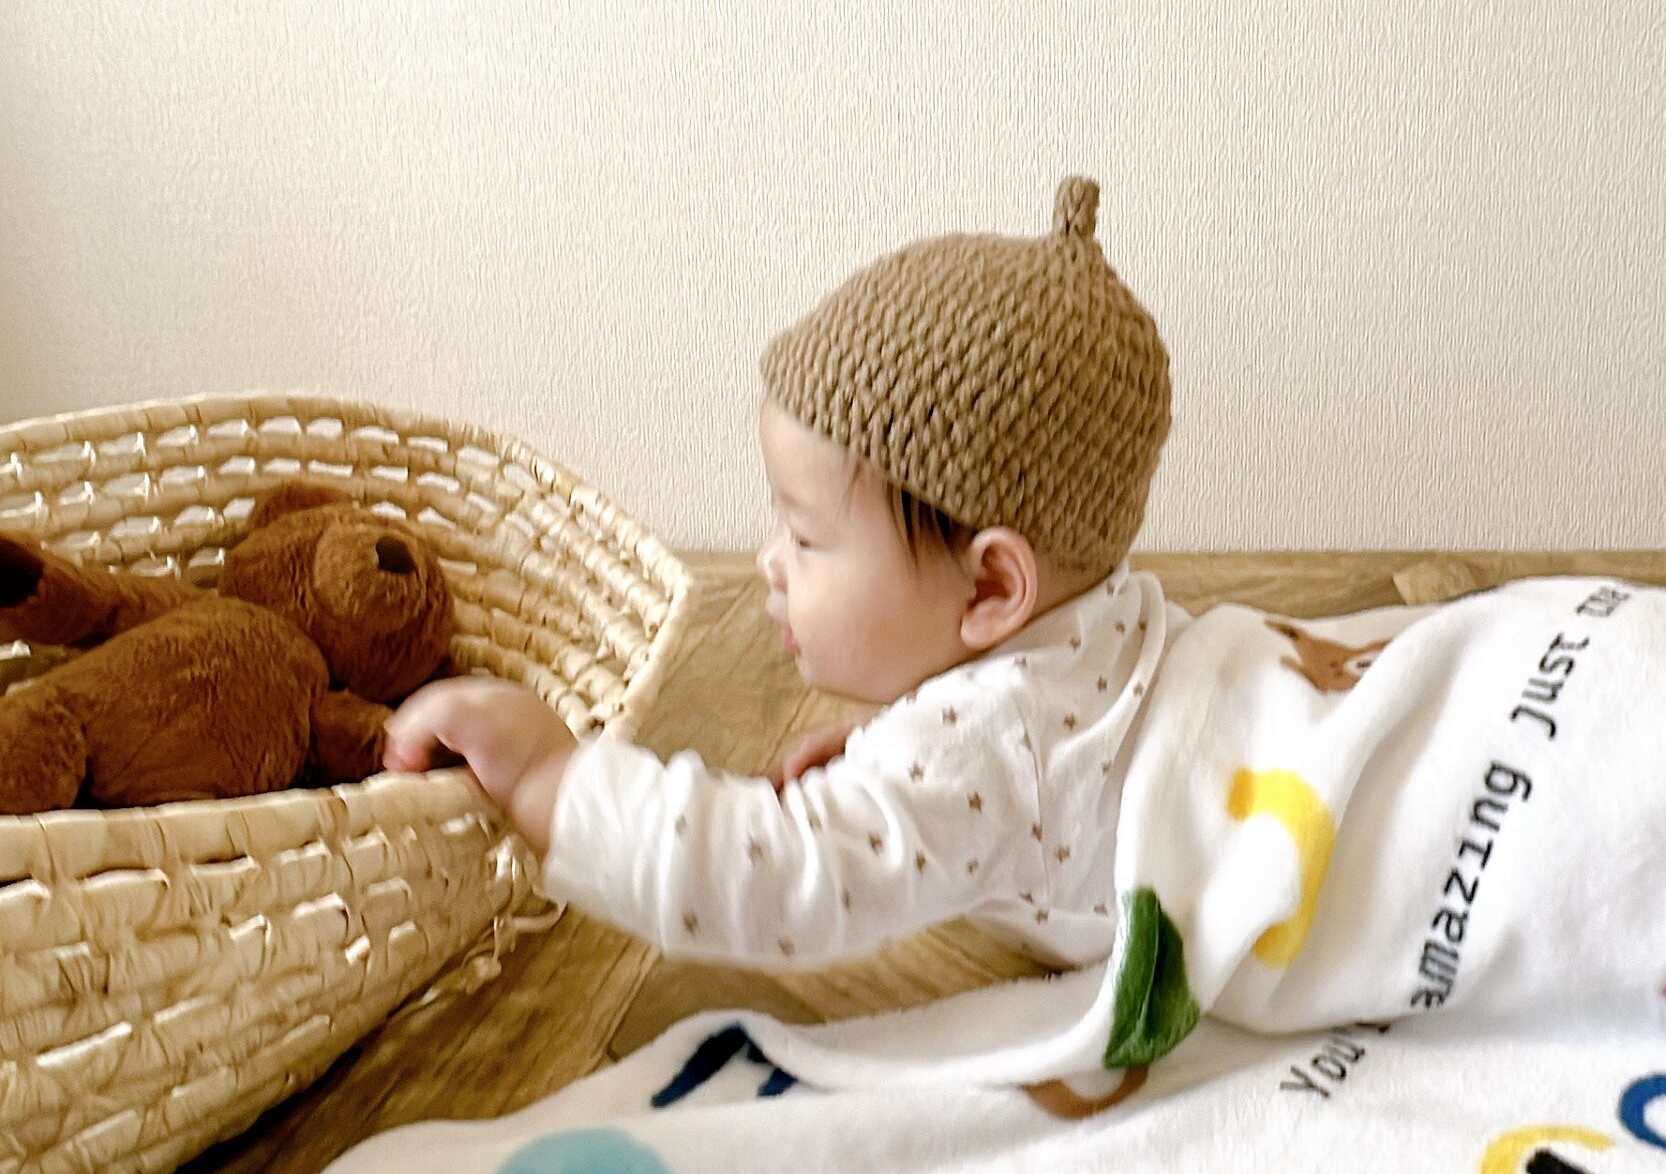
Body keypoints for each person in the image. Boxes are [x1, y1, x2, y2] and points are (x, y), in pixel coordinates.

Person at [381, 178, 1180, 971]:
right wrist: (890, 746)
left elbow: (777, 880)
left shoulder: (992, 743)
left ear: (993, 589)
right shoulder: (1100, 636)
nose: (769, 559)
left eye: (805, 536)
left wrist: (548, 774)